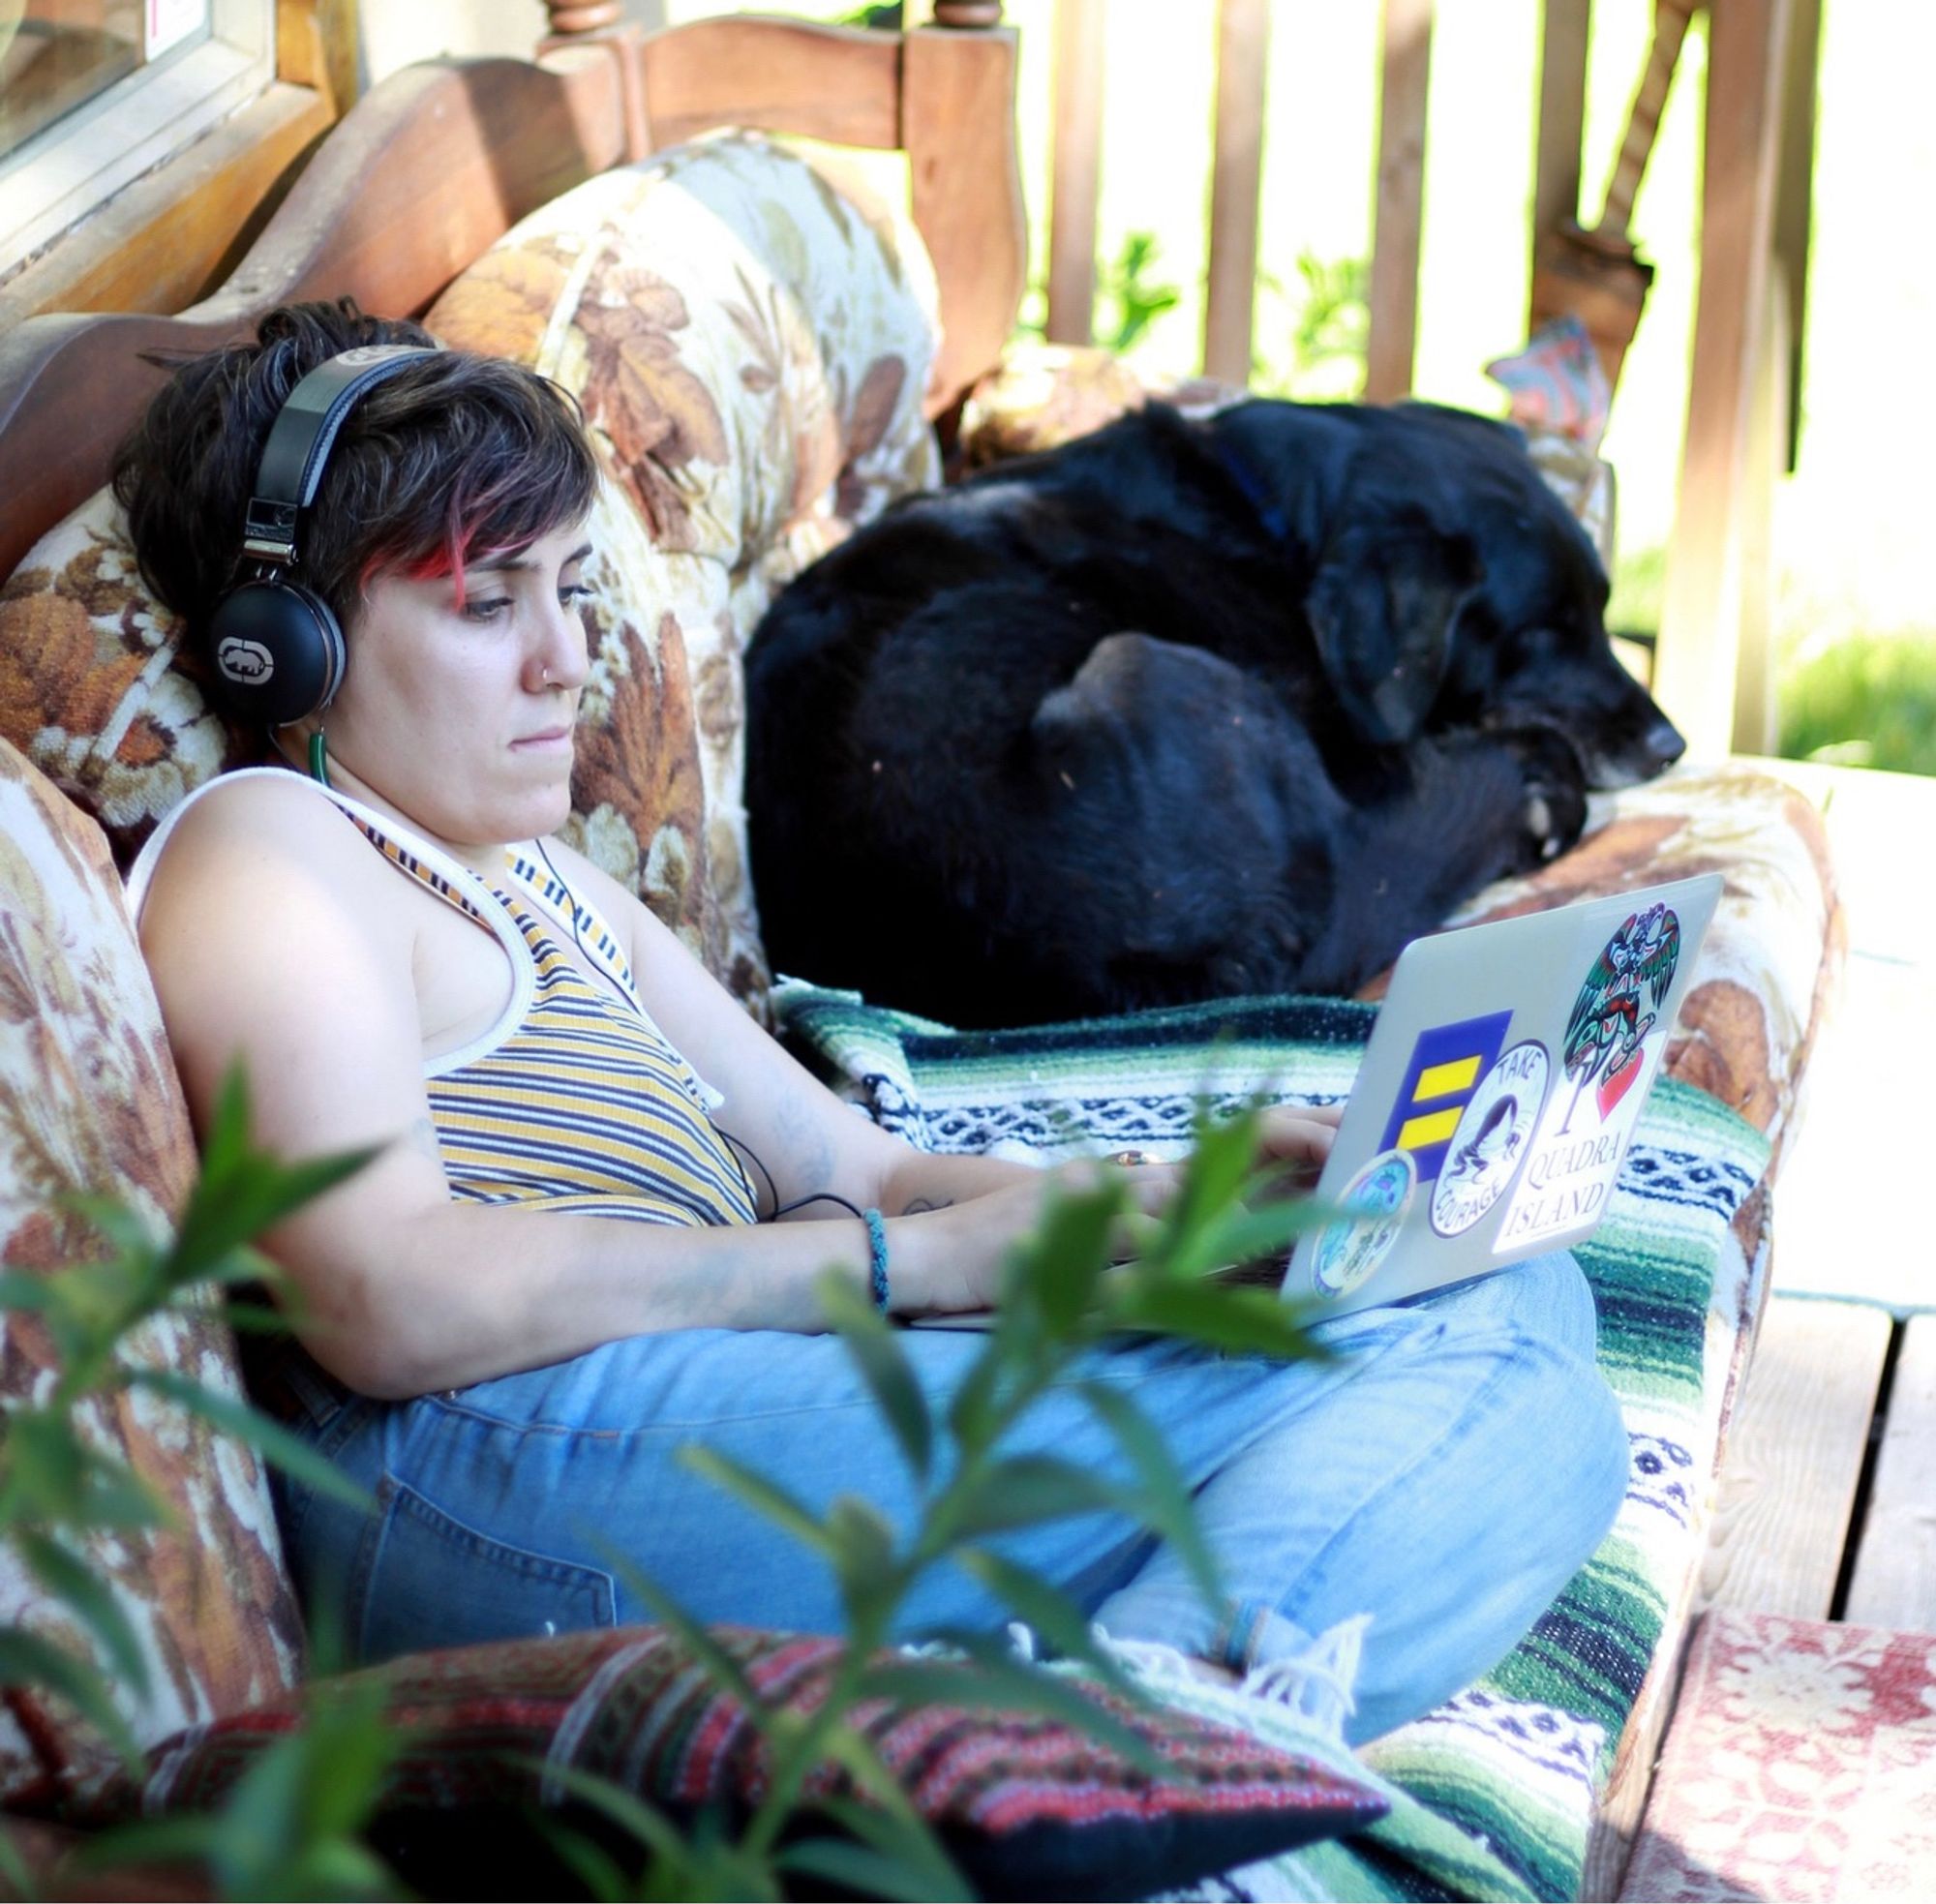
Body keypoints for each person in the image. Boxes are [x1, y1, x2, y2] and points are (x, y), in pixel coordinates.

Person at [117, 299, 1628, 1745]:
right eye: (482, 603)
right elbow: (385, 1299)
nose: (568, 661)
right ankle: (1148, 1762)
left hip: (686, 1406)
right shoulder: (272, 850)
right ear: (282, 646)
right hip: (485, 1468)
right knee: (1467, 1364)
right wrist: (907, 1265)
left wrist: (1170, 1205)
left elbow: (871, 1172)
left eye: (568, 591)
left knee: (1485, 1292)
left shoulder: (536, 882)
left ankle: (1125, 1736)